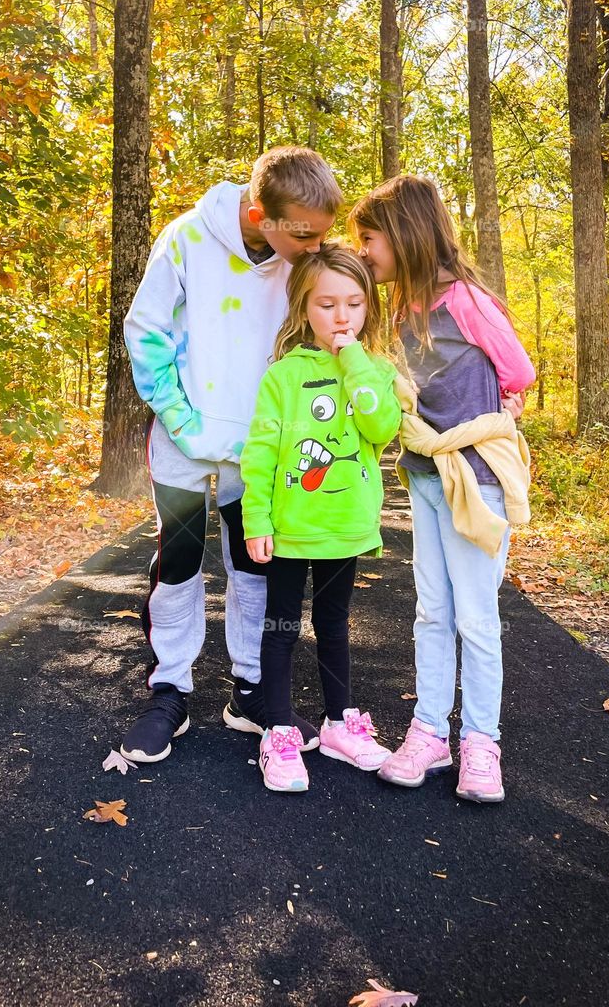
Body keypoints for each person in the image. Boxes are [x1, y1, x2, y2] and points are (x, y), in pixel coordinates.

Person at [119, 147, 343, 764]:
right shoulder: (187, 238)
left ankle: (250, 689)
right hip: (184, 444)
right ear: (257, 213)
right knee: (181, 560)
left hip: (262, 449)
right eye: (304, 233)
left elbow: (334, 317)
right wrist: (181, 420)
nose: (316, 246)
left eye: (323, 234)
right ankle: (170, 689)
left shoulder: (305, 260)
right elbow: (146, 331)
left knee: (256, 566)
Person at [351, 175, 535, 803]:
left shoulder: (464, 301)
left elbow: (518, 371)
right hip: (426, 475)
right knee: (433, 609)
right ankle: (430, 732)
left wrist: (491, 418)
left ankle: (482, 743)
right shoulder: (404, 309)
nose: (365, 251)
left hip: (474, 479)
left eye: (370, 239)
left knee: (476, 617)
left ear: (403, 235)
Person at [241, 244, 402, 793]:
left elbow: (382, 427)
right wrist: (256, 520)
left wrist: (353, 358)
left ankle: (338, 725)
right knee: (282, 627)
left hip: (345, 527)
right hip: (290, 530)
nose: (341, 316)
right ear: (303, 307)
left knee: (334, 624)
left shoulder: (375, 370)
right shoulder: (283, 377)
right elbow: (260, 455)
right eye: (327, 304)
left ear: (368, 308)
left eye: (354, 304)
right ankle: (280, 732)